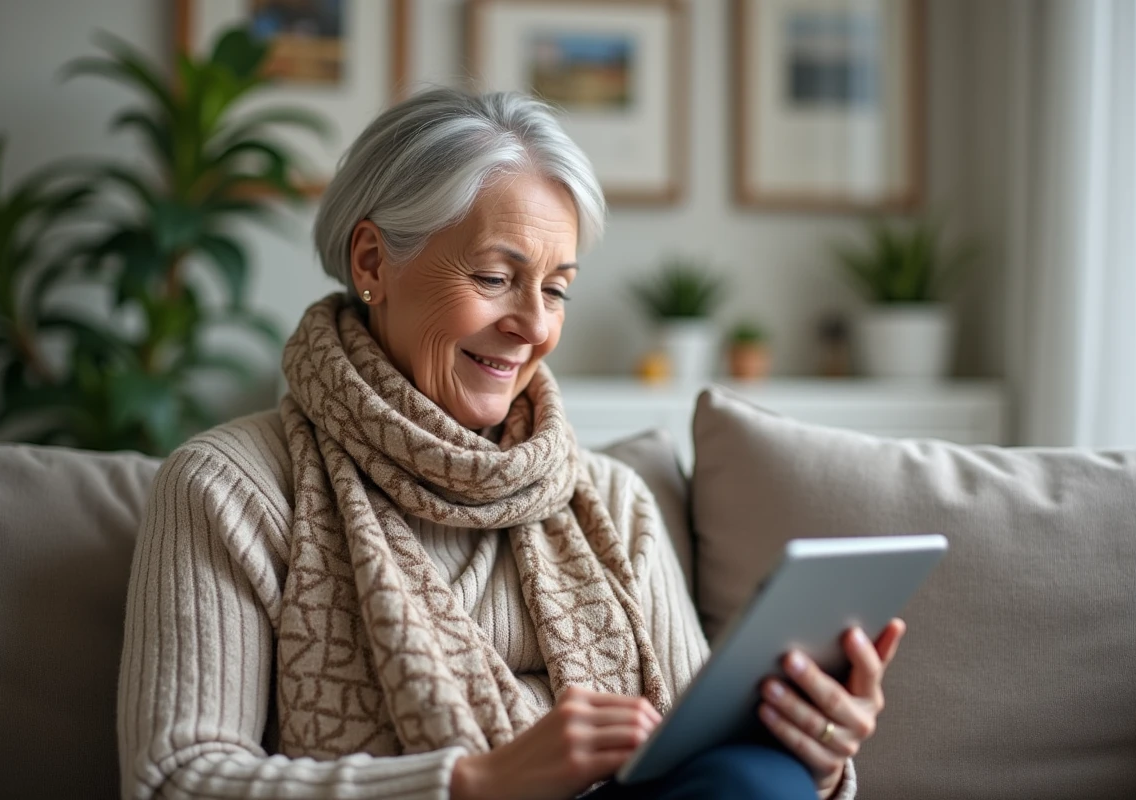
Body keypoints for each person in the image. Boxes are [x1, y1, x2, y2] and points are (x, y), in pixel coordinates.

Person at [117, 88, 905, 800]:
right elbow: (174, 778)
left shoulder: (613, 500)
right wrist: (475, 785)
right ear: (371, 262)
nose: (534, 326)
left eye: (556, 288)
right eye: (496, 277)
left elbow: (696, 760)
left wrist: (815, 750)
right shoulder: (230, 487)